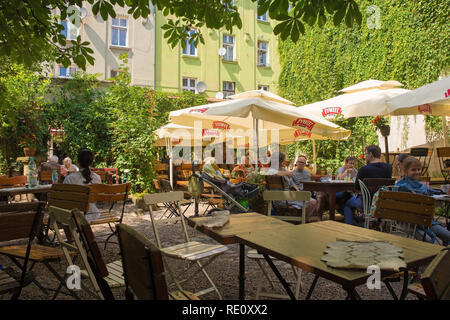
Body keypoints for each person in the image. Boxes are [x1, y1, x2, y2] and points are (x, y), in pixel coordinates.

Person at [395, 156, 450, 246]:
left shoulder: (422, 186)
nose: (417, 172)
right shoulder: (402, 187)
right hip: (412, 224)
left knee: (447, 236)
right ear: (405, 171)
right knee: (433, 244)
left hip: (428, 222)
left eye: (418, 169)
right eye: (413, 170)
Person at [343, 145, 392, 225]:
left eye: (366, 154)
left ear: (371, 154)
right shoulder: (388, 168)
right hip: (382, 203)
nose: (365, 157)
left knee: (348, 204)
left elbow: (357, 188)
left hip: (366, 203)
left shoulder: (364, 169)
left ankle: (349, 226)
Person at [262, 152, 319, 218]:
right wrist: (286, 173)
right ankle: (302, 220)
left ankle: (299, 219)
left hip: (288, 197)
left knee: (311, 200)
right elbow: (271, 172)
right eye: (284, 160)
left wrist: (297, 189)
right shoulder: (271, 170)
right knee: (313, 202)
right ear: (279, 161)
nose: (285, 161)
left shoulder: (283, 169)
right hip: (284, 199)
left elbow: (291, 182)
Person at [64, 149, 102, 221]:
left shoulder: (69, 178)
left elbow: (65, 200)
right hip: (93, 214)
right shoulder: (97, 178)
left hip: (75, 215)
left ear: (78, 162)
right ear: (91, 162)